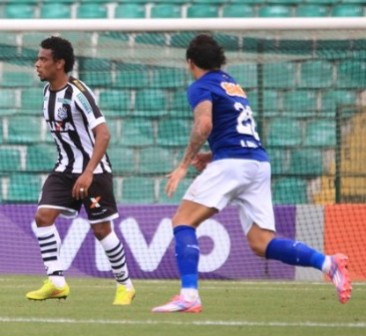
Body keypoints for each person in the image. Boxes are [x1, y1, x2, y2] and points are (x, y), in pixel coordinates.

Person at [152, 34, 351, 313]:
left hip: (233, 164)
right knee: (261, 243)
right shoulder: (232, 84)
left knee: (183, 221)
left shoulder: (201, 86)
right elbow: (233, 126)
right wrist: (213, 154)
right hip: (257, 164)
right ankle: (328, 263)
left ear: (190, 62)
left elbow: (204, 124)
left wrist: (184, 164)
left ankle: (189, 295)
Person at [25, 36, 135, 305]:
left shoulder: (78, 94)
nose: (37, 64)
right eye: (38, 58)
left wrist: (88, 172)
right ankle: (56, 281)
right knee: (42, 217)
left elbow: (104, 134)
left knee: (101, 231)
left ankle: (125, 285)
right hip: (64, 168)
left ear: (59, 64)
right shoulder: (47, 92)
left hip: (93, 171)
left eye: (43, 59)